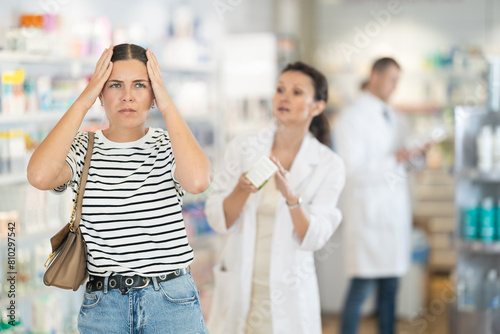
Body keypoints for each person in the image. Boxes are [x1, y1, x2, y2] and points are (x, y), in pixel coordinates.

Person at [27, 43, 212, 333]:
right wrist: (83, 101)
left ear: (153, 93)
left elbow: (199, 180)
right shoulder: (82, 148)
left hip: (171, 303)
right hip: (104, 307)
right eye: (114, 85)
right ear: (100, 92)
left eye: (140, 85)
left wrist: (166, 102)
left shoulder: (169, 146)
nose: (127, 96)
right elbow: (39, 175)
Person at [204, 61, 346, 334]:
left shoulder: (330, 165)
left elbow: (314, 237)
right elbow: (218, 219)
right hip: (240, 284)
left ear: (317, 106)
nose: (284, 97)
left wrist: (291, 198)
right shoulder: (243, 147)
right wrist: (241, 189)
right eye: (280, 89)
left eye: (296, 92)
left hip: (288, 292)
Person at [334, 57, 425, 334]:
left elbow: (403, 165)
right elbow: (352, 170)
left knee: (390, 291)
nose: (395, 86)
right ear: (375, 75)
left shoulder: (394, 117)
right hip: (368, 218)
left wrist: (415, 156)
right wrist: (395, 159)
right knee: (360, 290)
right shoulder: (351, 117)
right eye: (392, 79)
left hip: (393, 217)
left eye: (398, 81)